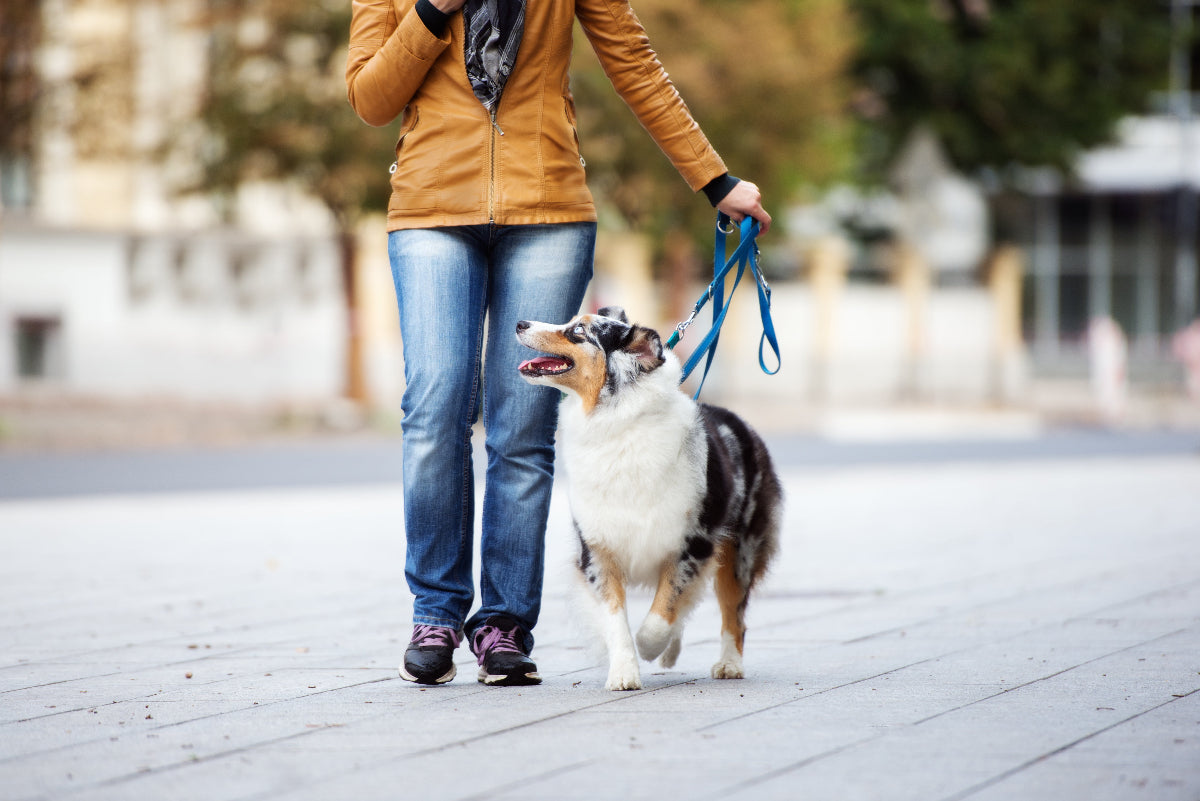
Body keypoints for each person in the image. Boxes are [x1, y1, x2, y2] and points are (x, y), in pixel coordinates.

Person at [346, 0, 771, 687]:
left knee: (522, 423)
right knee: (435, 406)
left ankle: (505, 622)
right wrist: (430, 12)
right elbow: (370, 97)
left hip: (547, 205)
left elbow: (633, 61)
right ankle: (435, 610)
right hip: (430, 205)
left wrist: (714, 179)